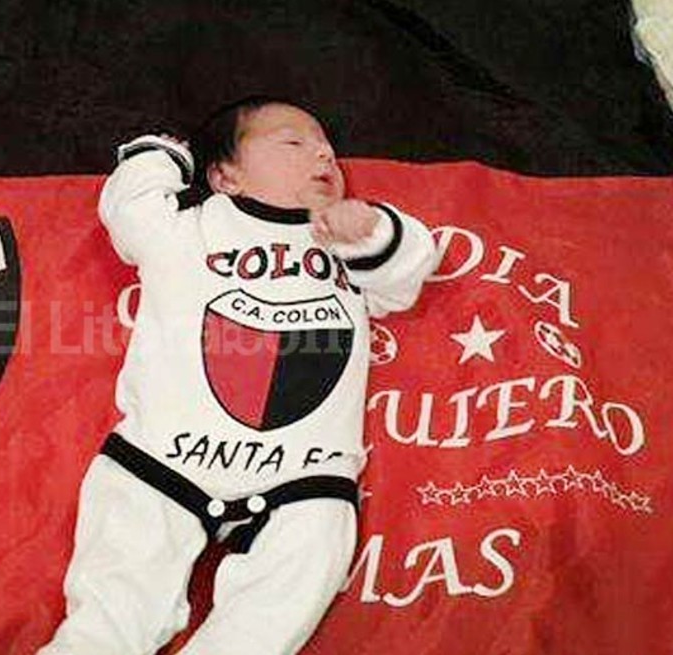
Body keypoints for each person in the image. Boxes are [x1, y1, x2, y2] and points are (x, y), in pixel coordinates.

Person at [38, 97, 438, 655]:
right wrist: (162, 155)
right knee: (111, 610)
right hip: (163, 460)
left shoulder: (346, 243)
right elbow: (129, 207)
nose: (323, 154)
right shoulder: (187, 230)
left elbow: (407, 271)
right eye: (293, 143)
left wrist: (372, 229)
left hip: (304, 477)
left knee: (283, 598)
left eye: (327, 147)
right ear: (225, 176)